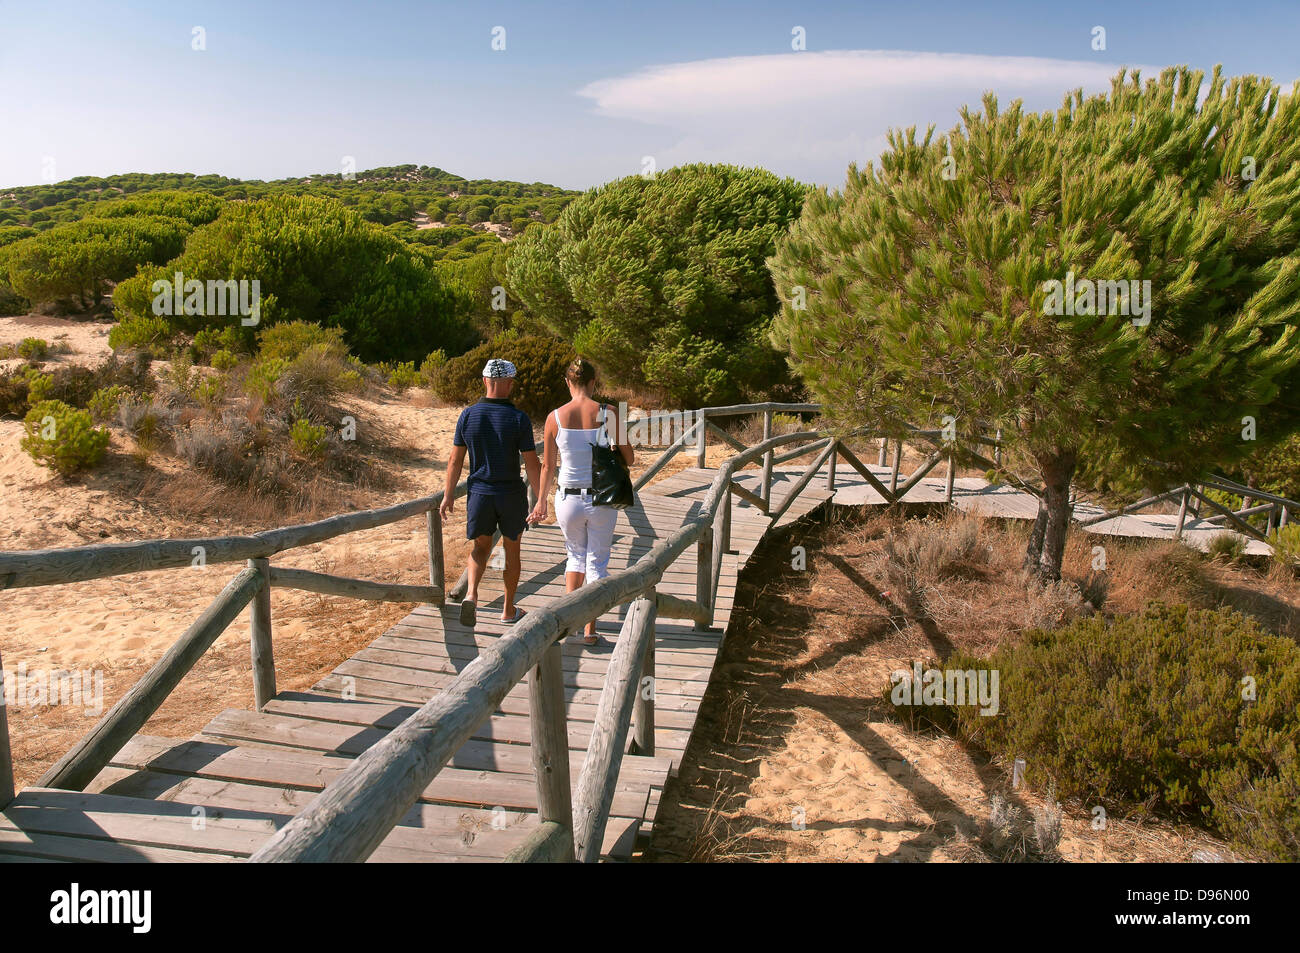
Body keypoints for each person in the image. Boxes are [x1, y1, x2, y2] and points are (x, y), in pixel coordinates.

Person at [527, 358, 633, 644]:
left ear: (567, 383)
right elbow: (630, 458)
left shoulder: (555, 417)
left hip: (568, 499)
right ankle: (590, 629)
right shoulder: (609, 412)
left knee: (575, 557)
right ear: (593, 383)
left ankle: (569, 622)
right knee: (597, 562)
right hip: (602, 498)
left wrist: (540, 503)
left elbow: (548, 466)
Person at [441, 358, 541, 628]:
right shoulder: (518, 418)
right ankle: (508, 610)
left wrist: (448, 494)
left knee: (480, 548)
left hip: (479, 494)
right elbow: (532, 463)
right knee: (512, 552)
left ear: (485, 381)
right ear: (509, 384)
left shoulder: (468, 415)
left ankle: (471, 594)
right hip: (510, 494)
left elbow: (454, 461)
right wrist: (541, 499)